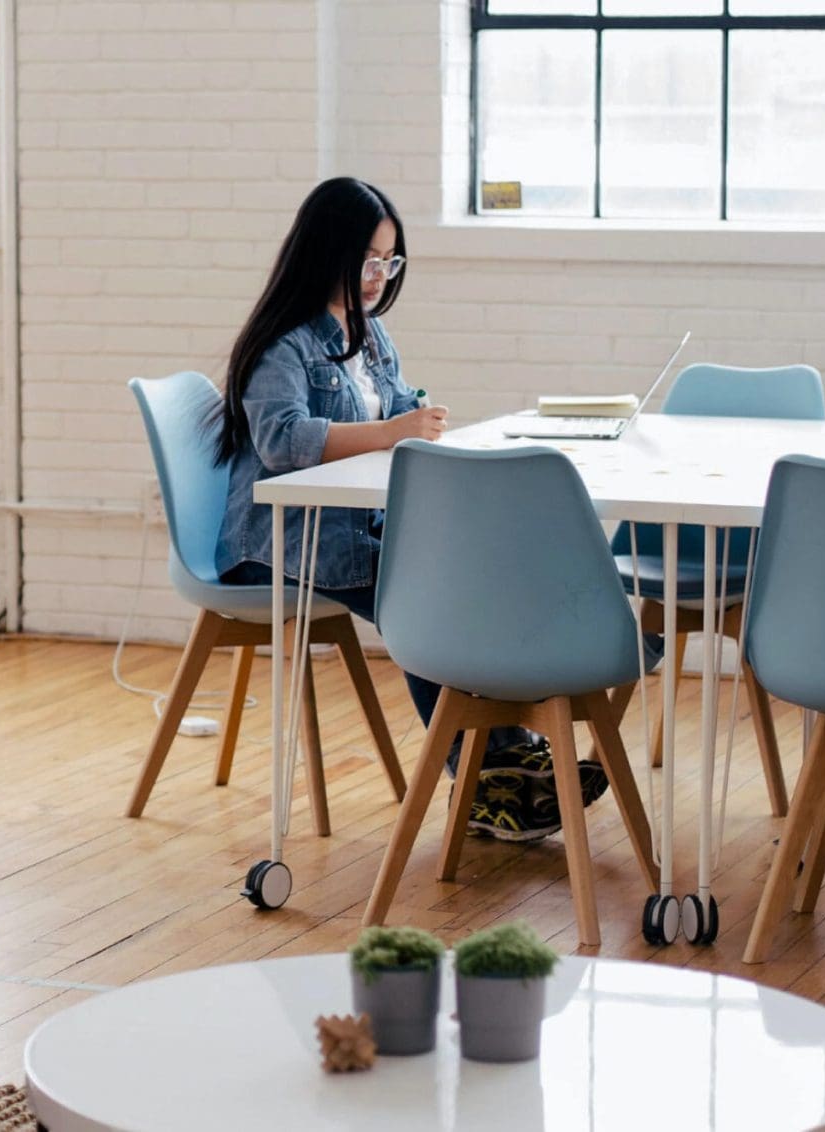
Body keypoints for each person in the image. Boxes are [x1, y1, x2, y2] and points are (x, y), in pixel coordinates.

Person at [209, 176, 604, 842]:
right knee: (427, 593)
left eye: (389, 262)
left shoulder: (372, 337)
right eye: (368, 260)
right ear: (324, 250)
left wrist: (410, 420)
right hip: (279, 545)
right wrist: (394, 431)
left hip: (354, 531)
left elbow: (390, 414)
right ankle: (487, 773)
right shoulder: (285, 343)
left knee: (464, 570)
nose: (377, 276)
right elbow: (282, 442)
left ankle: (504, 761)